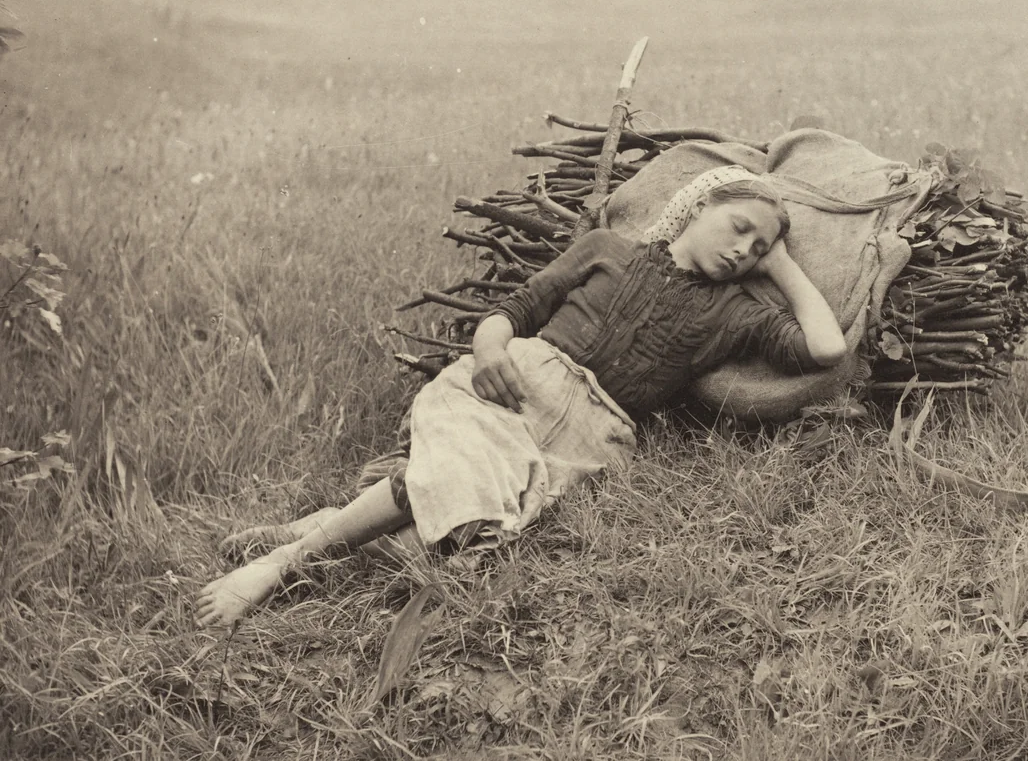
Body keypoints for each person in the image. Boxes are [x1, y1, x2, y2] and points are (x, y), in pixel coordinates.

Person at [195, 166, 847, 627]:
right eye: (738, 227)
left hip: (589, 434)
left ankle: (325, 524)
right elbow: (516, 308)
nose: (743, 249)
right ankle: (283, 563)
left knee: (472, 535)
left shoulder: (734, 315)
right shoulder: (607, 250)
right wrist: (487, 349)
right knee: (456, 472)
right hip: (516, 382)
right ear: (697, 205)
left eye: (756, 248)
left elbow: (826, 350)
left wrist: (780, 262)